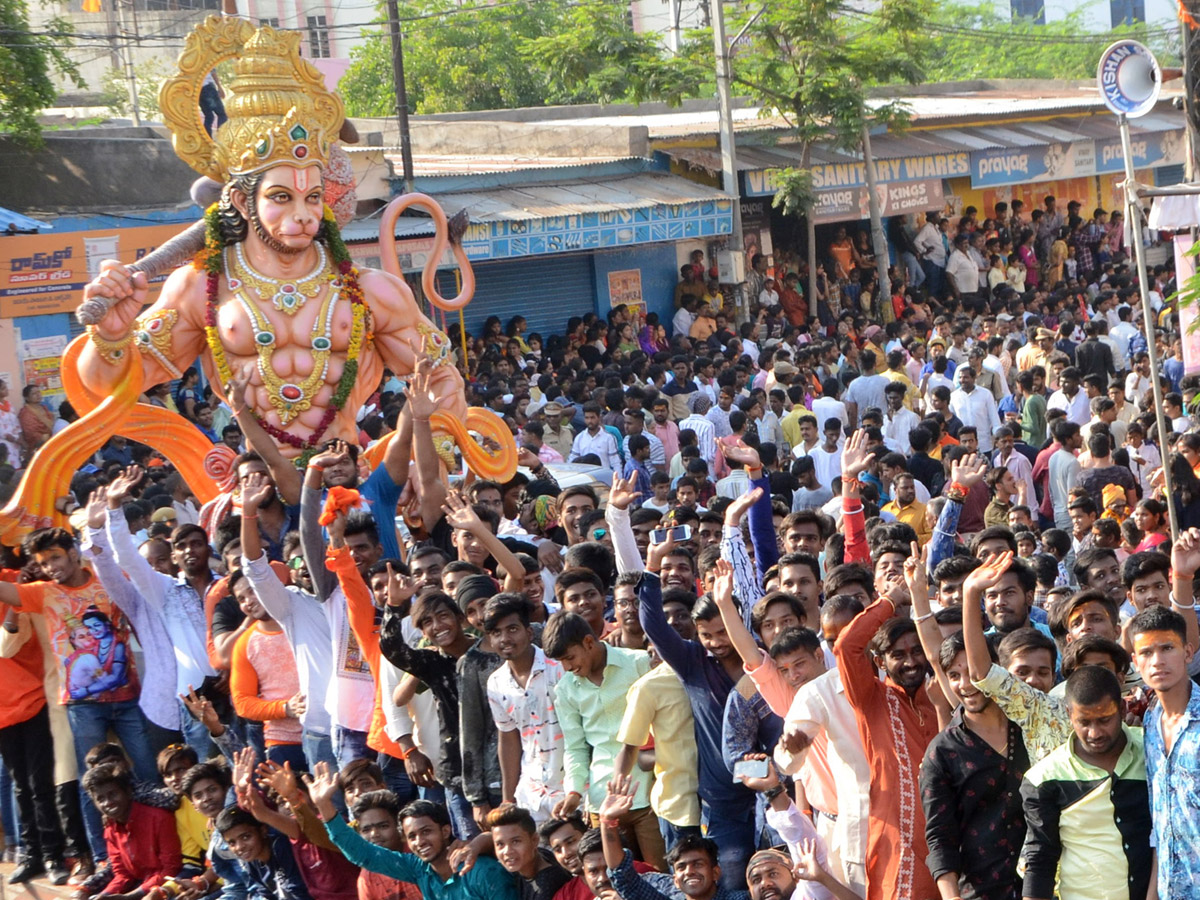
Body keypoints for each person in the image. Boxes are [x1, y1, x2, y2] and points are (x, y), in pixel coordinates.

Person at [1019, 666, 1151, 900]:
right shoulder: (1044, 777)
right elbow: (1040, 858)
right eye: (1084, 722)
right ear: (1070, 715)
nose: (1095, 733)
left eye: (1104, 720)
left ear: (1122, 708)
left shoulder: (1154, 752)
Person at [484, 594, 566, 823]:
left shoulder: (559, 667)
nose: (504, 639)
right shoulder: (496, 683)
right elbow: (508, 738)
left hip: (574, 787)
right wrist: (507, 799)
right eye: (496, 633)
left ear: (529, 632)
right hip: (531, 794)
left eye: (512, 629)